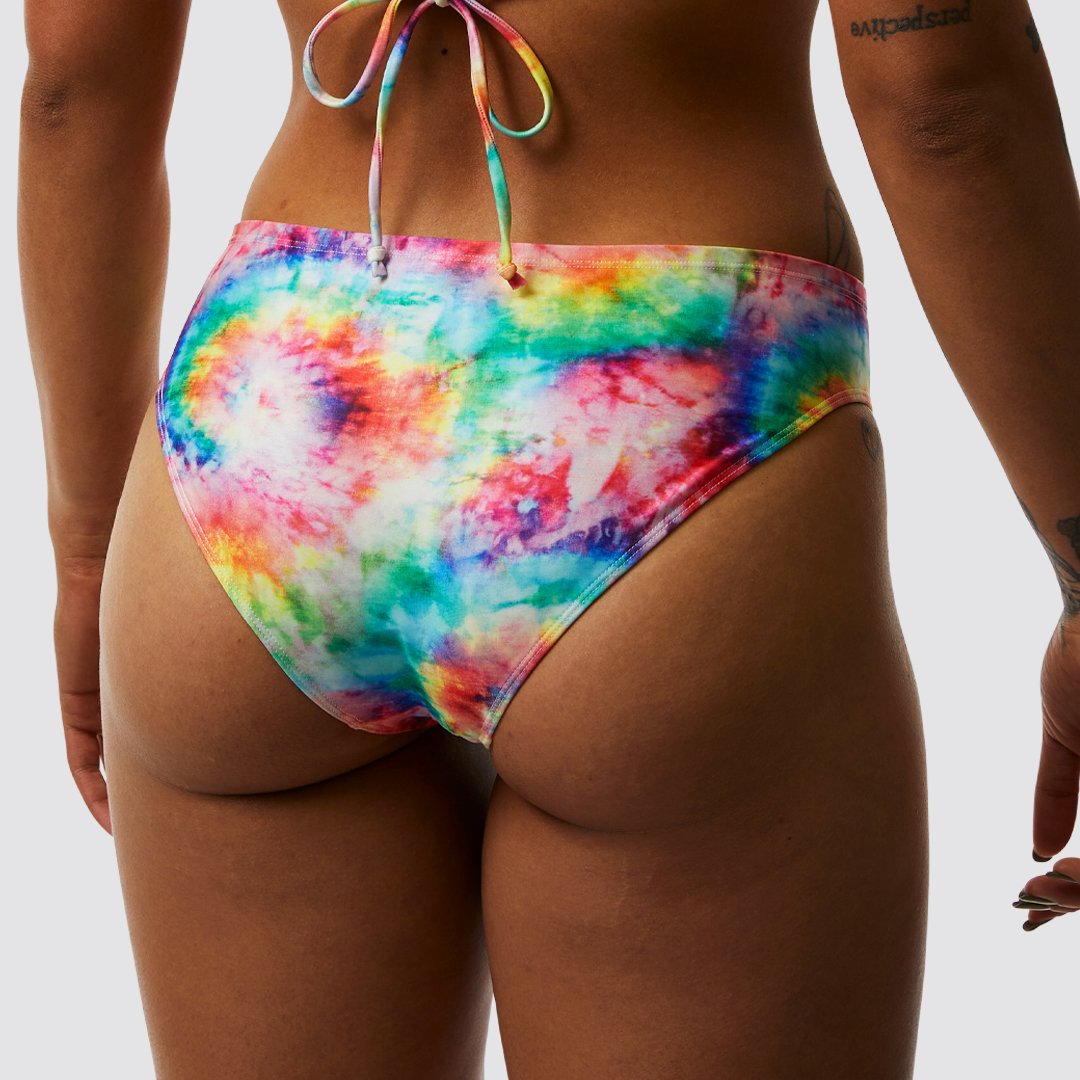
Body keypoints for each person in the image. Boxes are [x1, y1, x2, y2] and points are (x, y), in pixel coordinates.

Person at [17, 0, 1079, 1076]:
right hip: (667, 385)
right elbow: (947, 100)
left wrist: (89, 549)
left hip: (272, 405)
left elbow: (76, 87)